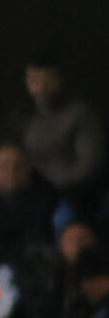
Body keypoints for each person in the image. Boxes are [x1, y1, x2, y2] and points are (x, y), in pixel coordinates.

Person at [16, 53, 103, 210]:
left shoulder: (80, 114)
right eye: (34, 81)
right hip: (30, 196)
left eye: (47, 81)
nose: (41, 88)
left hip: (71, 197)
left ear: (60, 80)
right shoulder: (23, 118)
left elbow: (88, 168)